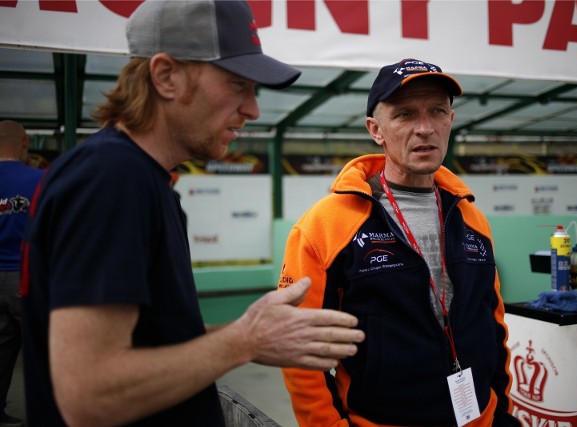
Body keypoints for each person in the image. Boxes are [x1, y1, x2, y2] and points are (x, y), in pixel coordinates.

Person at [20, 1, 364, 426]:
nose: (253, 109)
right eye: (239, 84)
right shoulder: (111, 178)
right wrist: (243, 340)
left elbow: (152, 347)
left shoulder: (146, 181)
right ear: (166, 76)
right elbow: (89, 396)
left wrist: (252, 336)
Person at [278, 58, 521, 427]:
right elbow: (298, 349)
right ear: (376, 130)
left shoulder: (472, 219)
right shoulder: (327, 225)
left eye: (437, 111)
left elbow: (494, 327)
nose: (425, 128)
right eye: (405, 115)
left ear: (450, 121)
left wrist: (502, 413)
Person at [0, 120, 44, 427]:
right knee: (40, 351)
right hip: (24, 277)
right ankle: (45, 416)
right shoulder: (40, 179)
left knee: (1, 351)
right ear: (25, 142)